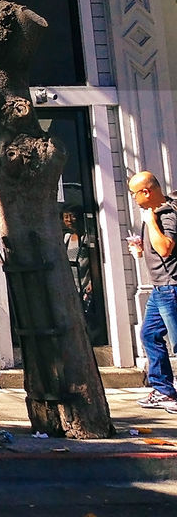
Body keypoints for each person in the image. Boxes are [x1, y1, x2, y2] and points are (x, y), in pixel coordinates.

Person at [128, 170, 177, 413]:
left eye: (134, 193)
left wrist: (150, 223)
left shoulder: (165, 213)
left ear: (146, 191)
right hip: (160, 289)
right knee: (149, 335)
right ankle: (164, 390)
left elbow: (166, 247)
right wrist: (140, 250)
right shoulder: (154, 214)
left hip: (171, 287)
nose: (133, 198)